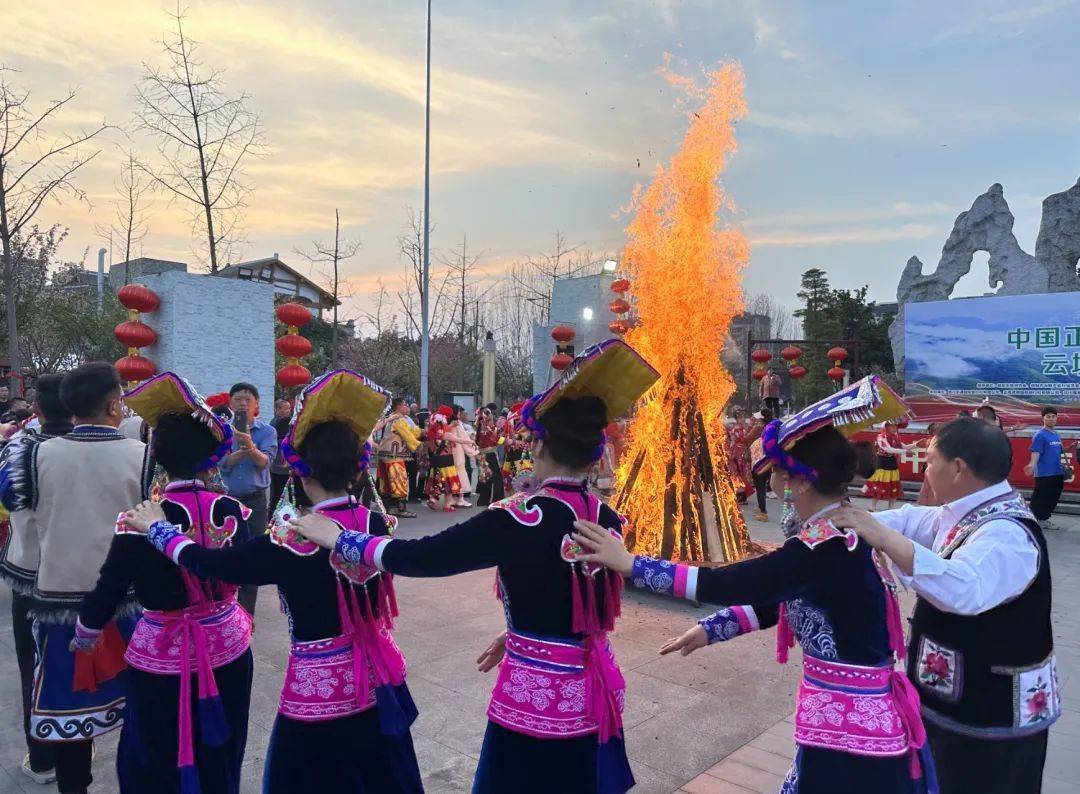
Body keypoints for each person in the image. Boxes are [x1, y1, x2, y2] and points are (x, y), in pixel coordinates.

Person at [290, 338, 660, 794]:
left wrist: (344, 540)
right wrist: (523, 632)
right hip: (594, 689)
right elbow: (582, 603)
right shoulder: (606, 516)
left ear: (539, 445)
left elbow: (420, 557)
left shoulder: (516, 516)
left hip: (534, 700)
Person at [572, 375, 937, 794]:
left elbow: (734, 582)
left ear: (801, 480)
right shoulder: (843, 535)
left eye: (779, 471)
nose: (774, 481)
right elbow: (783, 601)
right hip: (848, 718)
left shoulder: (824, 546)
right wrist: (711, 629)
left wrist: (633, 565)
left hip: (851, 731)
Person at [125, 369, 422, 793]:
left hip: (316, 686)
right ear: (359, 470)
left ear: (300, 472)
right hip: (381, 674)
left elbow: (213, 565)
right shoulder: (378, 524)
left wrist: (160, 531)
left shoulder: (289, 538)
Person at [829, 417, 1057, 794]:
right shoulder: (968, 511)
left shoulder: (1007, 533)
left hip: (992, 718)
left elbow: (962, 589)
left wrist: (880, 535)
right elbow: (913, 520)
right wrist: (853, 522)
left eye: (930, 460)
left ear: (958, 467)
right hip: (954, 702)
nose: (925, 468)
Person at [76, 372, 253, 793]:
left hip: (162, 649)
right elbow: (244, 573)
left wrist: (85, 631)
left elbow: (110, 584)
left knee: (155, 745)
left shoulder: (139, 518)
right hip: (227, 641)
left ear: (156, 454)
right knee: (225, 738)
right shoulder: (233, 510)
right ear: (211, 456)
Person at [19, 363, 149, 794]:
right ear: (114, 404)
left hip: (61, 604)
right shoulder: (144, 456)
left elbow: (20, 519)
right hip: (130, 600)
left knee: (69, 718)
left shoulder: (32, 455)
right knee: (143, 707)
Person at [0, 374, 72, 786]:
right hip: (84, 575)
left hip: (32, 574)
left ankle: (43, 757)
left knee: (34, 664)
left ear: (38, 411)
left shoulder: (21, 449)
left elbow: (8, 499)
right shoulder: (106, 448)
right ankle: (83, 737)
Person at [218, 382, 278, 616]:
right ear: (230, 403)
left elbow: (265, 462)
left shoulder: (267, 431)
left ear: (257, 405)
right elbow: (223, 465)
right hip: (227, 500)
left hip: (255, 502)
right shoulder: (221, 431)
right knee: (225, 554)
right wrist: (243, 449)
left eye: (248, 399)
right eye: (238, 399)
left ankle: (246, 615)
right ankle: (225, 611)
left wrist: (249, 446)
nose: (243, 403)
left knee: (252, 556)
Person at [376, 398, 420, 519]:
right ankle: (401, 509)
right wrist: (419, 446)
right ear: (399, 406)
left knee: (387, 483)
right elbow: (409, 436)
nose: (407, 407)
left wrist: (420, 431)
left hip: (385, 455)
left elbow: (412, 432)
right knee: (400, 481)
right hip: (394, 456)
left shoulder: (393, 417)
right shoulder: (398, 419)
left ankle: (390, 508)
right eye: (405, 405)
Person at [1026, 406, 1065, 531]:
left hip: (1057, 472)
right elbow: (1036, 452)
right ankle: (1035, 519)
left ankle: (1042, 518)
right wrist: (1032, 464)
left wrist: (1070, 448)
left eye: (1054, 417)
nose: (1051, 419)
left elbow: (1057, 451)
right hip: (1044, 473)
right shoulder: (1040, 435)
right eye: (1048, 417)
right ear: (1043, 418)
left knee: (1053, 496)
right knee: (1041, 497)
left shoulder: (1056, 435)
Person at [866, 419, 918, 511]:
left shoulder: (895, 437)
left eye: (896, 426)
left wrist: (917, 444)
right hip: (881, 463)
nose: (895, 428)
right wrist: (905, 451)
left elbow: (904, 446)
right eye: (892, 426)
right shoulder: (881, 437)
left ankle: (891, 507)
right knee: (879, 485)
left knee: (894, 486)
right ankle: (873, 506)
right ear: (886, 427)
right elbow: (889, 449)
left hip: (892, 463)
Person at [424, 406, 461, 511]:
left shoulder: (433, 421)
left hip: (435, 454)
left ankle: (432, 499)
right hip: (445, 455)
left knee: (437, 478)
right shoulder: (441, 423)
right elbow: (443, 436)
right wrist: (451, 426)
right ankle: (447, 505)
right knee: (450, 481)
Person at [445, 405, 479, 508]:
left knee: (452, 474)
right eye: (459, 412)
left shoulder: (446, 422)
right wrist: (473, 449)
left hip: (449, 450)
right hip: (458, 450)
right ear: (456, 413)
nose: (461, 414)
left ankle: (451, 499)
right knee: (461, 474)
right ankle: (461, 499)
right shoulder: (457, 424)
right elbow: (462, 438)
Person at [474, 406, 505, 507]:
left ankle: (482, 500)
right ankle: (497, 500)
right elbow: (497, 439)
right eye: (491, 417)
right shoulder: (488, 429)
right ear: (488, 418)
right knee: (497, 478)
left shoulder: (479, 428)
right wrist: (513, 441)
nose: (493, 419)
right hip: (490, 455)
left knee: (485, 478)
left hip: (482, 455)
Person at [726, 407, 756, 504]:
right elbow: (732, 440)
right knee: (737, 474)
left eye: (743, 417)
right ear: (737, 418)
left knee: (745, 474)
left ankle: (743, 496)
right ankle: (741, 496)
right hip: (736, 453)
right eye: (740, 417)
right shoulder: (734, 429)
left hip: (744, 453)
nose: (742, 419)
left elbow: (748, 440)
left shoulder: (745, 428)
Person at [269, 398, 294, 511]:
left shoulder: (272, 422)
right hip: (282, 465)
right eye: (286, 408)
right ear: (277, 410)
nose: (289, 411)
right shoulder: (282, 423)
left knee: (276, 495)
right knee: (283, 495)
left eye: (289, 408)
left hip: (274, 465)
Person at [750, 409, 773, 521]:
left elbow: (747, 438)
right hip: (766, 462)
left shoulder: (760, 429)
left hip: (759, 462)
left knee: (760, 488)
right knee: (762, 487)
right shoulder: (770, 429)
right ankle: (761, 508)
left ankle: (763, 513)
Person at [916, 423, 941, 507]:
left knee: (929, 486)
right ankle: (930, 504)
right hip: (933, 467)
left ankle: (927, 504)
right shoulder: (932, 441)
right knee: (931, 486)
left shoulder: (931, 440)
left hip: (933, 467)